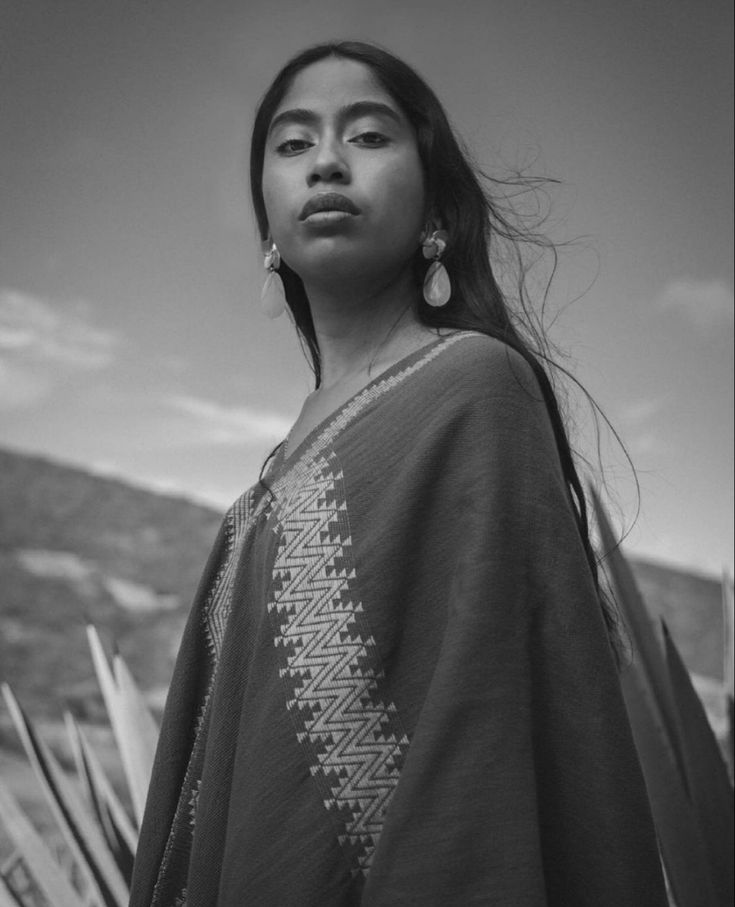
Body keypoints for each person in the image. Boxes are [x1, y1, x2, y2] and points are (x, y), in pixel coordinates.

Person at [129, 41, 668, 906]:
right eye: (294, 143)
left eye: (370, 136)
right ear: (266, 220)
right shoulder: (257, 495)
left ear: (434, 208)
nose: (328, 161)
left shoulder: (470, 388)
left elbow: (480, 733)